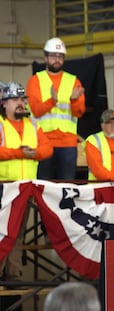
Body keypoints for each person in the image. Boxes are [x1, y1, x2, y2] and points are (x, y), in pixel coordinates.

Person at [0, 82, 52, 284]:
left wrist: (34, 153)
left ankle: (14, 275)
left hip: (24, 189)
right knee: (2, 232)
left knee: (17, 234)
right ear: (4, 104)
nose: (21, 104)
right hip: (3, 187)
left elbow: (48, 149)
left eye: (22, 100)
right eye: (15, 100)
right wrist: (19, 152)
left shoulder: (33, 124)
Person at [26, 37, 85, 180]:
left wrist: (74, 99)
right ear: (45, 58)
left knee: (66, 186)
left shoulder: (73, 80)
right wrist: (52, 100)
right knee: (44, 186)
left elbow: (79, 112)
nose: (57, 59)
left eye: (60, 56)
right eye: (53, 56)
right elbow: (36, 110)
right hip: (43, 142)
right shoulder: (35, 81)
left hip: (68, 144)